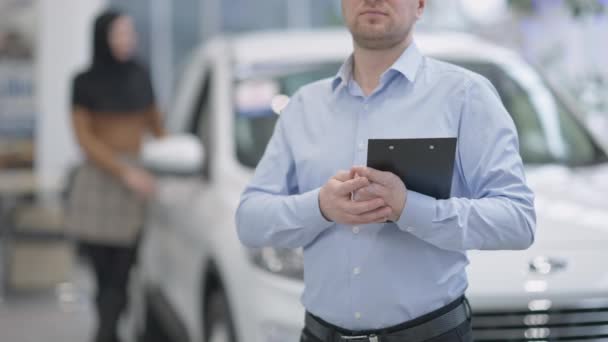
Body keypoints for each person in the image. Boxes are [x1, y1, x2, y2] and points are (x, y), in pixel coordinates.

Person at [236, 0, 536, 341]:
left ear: (420, 5)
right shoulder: (303, 106)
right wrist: (321, 207)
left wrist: (410, 208)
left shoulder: (465, 96)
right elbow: (249, 221)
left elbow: (518, 220)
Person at [65, 9, 165, 342]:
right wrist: (124, 171)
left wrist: (170, 159)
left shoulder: (141, 75)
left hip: (133, 187)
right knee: (102, 276)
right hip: (97, 183)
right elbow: (84, 140)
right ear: (103, 37)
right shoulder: (83, 82)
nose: (127, 40)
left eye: (130, 33)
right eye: (119, 33)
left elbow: (157, 127)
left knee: (122, 275)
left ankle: (105, 334)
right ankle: (108, 333)